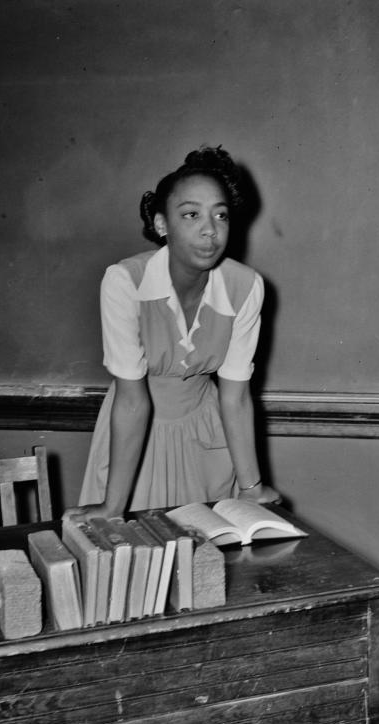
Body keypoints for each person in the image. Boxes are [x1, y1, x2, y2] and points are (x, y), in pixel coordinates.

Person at [67, 145, 280, 523]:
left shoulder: (245, 287)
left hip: (208, 435)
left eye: (221, 215)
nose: (210, 230)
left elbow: (235, 397)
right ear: (162, 224)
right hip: (136, 440)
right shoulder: (124, 281)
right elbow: (132, 402)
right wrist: (114, 505)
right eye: (191, 215)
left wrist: (251, 486)